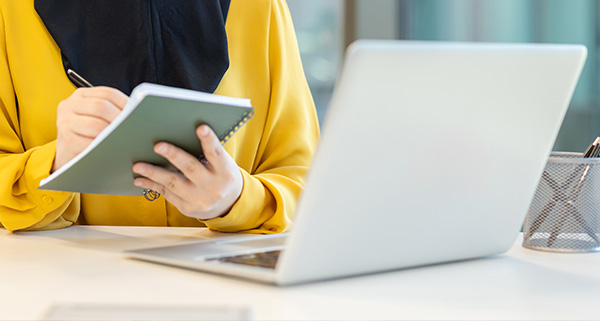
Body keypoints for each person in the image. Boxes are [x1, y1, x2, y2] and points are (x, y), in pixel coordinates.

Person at [0, 0, 320, 233]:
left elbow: (309, 181)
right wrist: (54, 165)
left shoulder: (259, 7)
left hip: (226, 288)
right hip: (58, 289)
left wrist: (238, 199)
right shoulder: (10, 11)